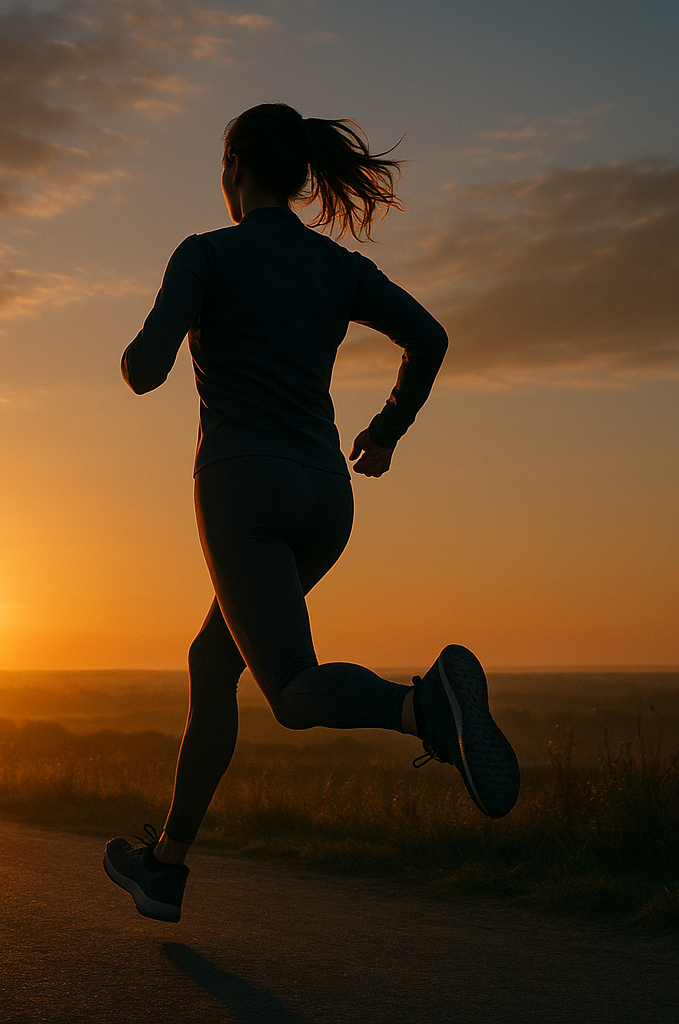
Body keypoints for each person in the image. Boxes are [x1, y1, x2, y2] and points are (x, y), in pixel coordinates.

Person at [103, 103, 519, 923]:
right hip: (328, 496)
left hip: (242, 491)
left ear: (233, 170)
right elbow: (428, 337)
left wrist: (151, 339)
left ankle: (421, 707)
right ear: (298, 174)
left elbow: (144, 371)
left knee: (289, 690)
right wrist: (389, 431)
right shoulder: (337, 269)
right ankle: (165, 866)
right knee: (212, 663)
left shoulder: (206, 255)